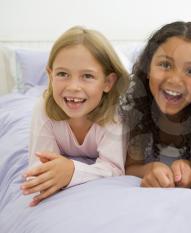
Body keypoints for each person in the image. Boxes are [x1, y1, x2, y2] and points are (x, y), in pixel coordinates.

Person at [21, 26, 129, 206]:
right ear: (50, 75)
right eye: (62, 74)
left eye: (87, 76)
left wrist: (71, 171)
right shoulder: (43, 109)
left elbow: (114, 168)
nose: (73, 87)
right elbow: (39, 167)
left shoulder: (115, 113)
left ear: (108, 82)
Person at [122, 21, 191, 188]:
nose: (174, 80)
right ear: (148, 68)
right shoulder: (135, 108)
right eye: (165, 65)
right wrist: (150, 168)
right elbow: (131, 167)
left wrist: (189, 167)